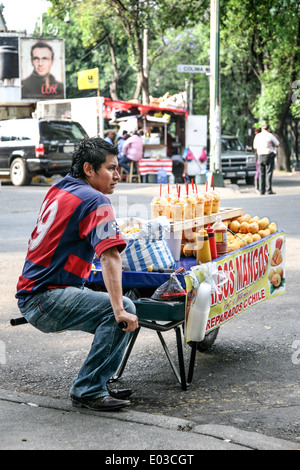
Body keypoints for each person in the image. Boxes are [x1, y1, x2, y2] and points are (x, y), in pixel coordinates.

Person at [15, 137, 139, 411]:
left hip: (33, 292)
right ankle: (89, 389)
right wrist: (118, 310)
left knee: (115, 301)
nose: (118, 175)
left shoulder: (60, 188)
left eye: (118, 168)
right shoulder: (96, 200)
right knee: (123, 307)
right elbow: (110, 256)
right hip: (45, 299)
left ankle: (98, 379)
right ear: (89, 169)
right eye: (111, 168)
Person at [253, 123, 279, 195]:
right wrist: (272, 146)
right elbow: (277, 144)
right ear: (268, 129)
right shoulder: (270, 135)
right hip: (269, 155)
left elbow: (255, 147)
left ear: (262, 129)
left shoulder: (257, 136)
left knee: (261, 173)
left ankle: (262, 190)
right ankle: (269, 189)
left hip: (260, 156)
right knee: (269, 173)